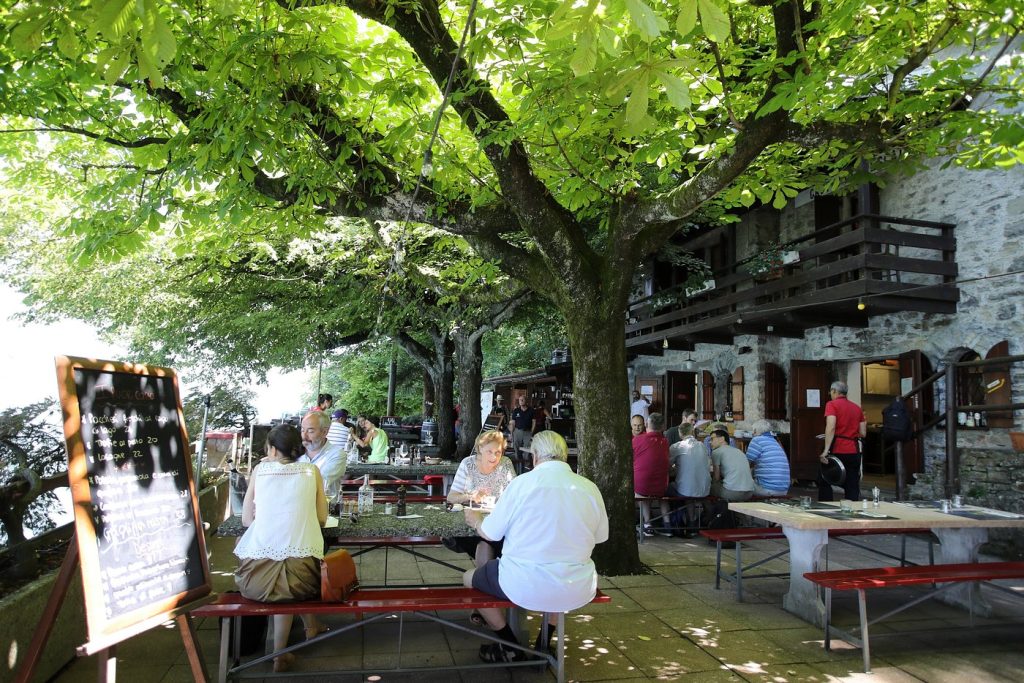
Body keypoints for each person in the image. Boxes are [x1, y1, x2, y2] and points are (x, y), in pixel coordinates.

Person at [462, 431, 608, 662]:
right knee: (560, 575)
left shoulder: (521, 484)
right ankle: (544, 644)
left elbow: (490, 533)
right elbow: (601, 537)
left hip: (521, 581)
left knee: (470, 578)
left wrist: (475, 520)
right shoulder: (589, 487)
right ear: (564, 456)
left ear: (536, 456)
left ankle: (509, 646)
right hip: (575, 583)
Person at [234, 425, 328, 672]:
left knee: (282, 575)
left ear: (272, 449)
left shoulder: (260, 470)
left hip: (253, 579)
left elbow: (246, 520)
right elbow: (321, 518)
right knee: (290, 575)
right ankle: (282, 651)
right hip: (303, 578)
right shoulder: (311, 470)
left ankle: (283, 651)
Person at [445, 430, 517, 625]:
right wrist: (470, 496)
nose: (494, 457)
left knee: (487, 543)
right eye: (490, 452)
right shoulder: (468, 465)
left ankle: (483, 605)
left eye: (498, 452)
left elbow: (514, 496)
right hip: (470, 523)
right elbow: (451, 498)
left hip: (497, 523)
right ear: (479, 449)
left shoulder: (506, 465)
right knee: (485, 544)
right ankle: (486, 604)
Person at [818, 380, 867, 501]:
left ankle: (826, 508)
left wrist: (826, 450)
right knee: (852, 484)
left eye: (831, 391)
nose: (830, 394)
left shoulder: (832, 405)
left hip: (838, 449)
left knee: (824, 478)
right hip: (853, 450)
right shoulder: (857, 408)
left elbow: (831, 427)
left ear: (834, 391)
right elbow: (863, 433)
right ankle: (852, 511)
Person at [668, 423, 711, 536]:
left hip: (686, 490)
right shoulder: (702, 445)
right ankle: (700, 519)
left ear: (680, 433)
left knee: (671, 487)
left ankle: (679, 521)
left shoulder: (677, 446)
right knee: (690, 486)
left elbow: (667, 465)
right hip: (704, 489)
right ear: (692, 432)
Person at [633, 412, 671, 537]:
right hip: (661, 487)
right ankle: (667, 525)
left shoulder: (637, 440)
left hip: (642, 487)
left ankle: (647, 525)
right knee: (662, 494)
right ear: (662, 427)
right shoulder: (665, 442)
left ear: (646, 424)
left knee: (641, 490)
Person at [298, 410, 346, 495]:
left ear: (324, 432)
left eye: (310, 431)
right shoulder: (295, 453)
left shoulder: (336, 454)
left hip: (325, 507)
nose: (304, 436)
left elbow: (319, 482)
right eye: (302, 430)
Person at [746, 420, 791, 496]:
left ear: (755, 431)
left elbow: (745, 462)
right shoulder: (774, 441)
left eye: (753, 431)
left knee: (741, 484)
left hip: (767, 489)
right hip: (783, 490)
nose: (752, 433)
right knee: (754, 470)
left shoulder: (757, 440)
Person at [710, 428, 754, 501]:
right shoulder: (739, 451)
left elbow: (716, 478)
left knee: (708, 488)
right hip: (749, 492)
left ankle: (711, 512)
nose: (710, 442)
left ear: (722, 439)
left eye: (712, 439)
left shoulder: (716, 452)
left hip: (732, 492)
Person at [509, 395, 537, 474]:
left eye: (522, 400)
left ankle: (526, 466)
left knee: (527, 449)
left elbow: (534, 422)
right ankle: (518, 465)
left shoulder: (531, 410)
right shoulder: (516, 411)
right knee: (516, 448)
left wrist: (531, 432)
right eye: (520, 400)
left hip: (527, 432)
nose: (520, 401)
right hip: (517, 431)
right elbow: (512, 423)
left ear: (526, 401)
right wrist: (511, 434)